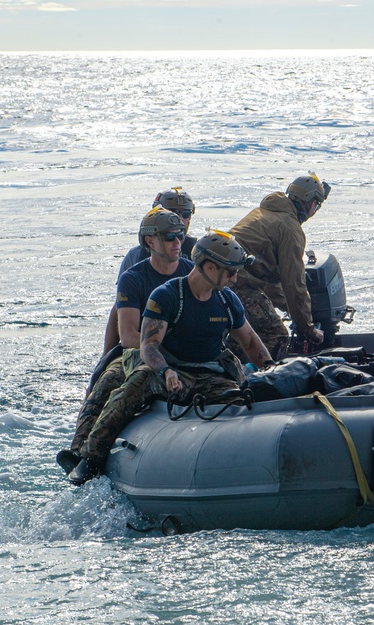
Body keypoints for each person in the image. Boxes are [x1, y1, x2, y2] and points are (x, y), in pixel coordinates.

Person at [68, 231, 273, 485]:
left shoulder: (227, 300)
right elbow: (149, 345)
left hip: (210, 376)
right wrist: (165, 371)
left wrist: (272, 371)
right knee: (135, 385)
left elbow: (251, 342)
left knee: (242, 400)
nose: (235, 278)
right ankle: (91, 456)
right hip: (172, 371)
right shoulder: (167, 296)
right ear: (209, 267)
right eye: (230, 271)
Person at [56, 207, 194, 475]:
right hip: (139, 350)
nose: (178, 242)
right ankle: (80, 449)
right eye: (170, 237)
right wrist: (154, 352)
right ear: (149, 242)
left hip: (182, 352)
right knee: (108, 380)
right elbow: (129, 335)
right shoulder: (133, 279)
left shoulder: (191, 275)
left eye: (181, 235)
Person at [226, 172, 330, 361]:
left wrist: (290, 308)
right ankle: (255, 382)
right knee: (277, 334)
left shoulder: (265, 213)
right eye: (317, 205)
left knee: (240, 335)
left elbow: (268, 279)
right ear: (311, 203)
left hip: (220, 279)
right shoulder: (289, 229)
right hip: (236, 284)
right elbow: (294, 283)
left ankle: (233, 367)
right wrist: (308, 328)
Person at [103, 187, 198, 356]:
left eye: (186, 214)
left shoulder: (196, 252)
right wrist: (107, 355)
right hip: (143, 330)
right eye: (174, 213)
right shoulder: (137, 256)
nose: (181, 219)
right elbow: (120, 308)